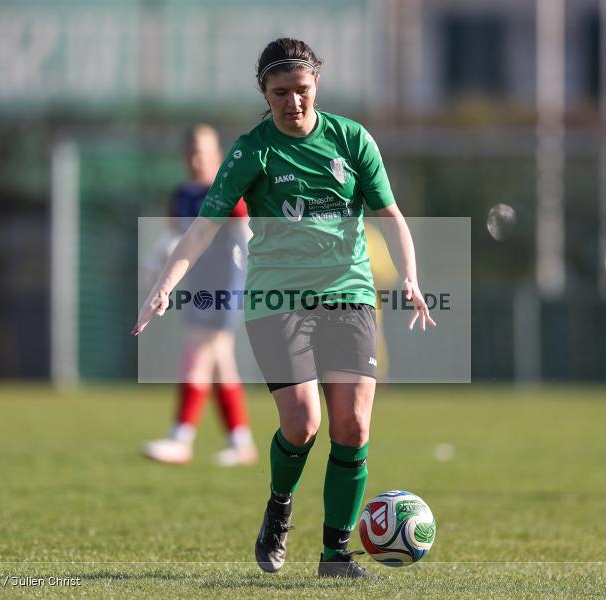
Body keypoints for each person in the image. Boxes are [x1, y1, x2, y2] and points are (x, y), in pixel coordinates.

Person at [133, 38, 435, 579]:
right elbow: (204, 227)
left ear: (317, 82)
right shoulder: (253, 151)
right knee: (301, 423)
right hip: (278, 300)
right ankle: (279, 509)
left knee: (354, 424)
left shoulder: (352, 139)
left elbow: (390, 216)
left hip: (349, 293)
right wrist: (164, 285)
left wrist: (410, 275)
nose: (293, 102)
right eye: (280, 93)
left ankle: (336, 555)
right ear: (263, 93)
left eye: (302, 90)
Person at [140, 124, 258, 467]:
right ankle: (240, 441)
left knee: (198, 350)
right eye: (192, 151)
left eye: (204, 151)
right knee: (221, 361)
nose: (197, 158)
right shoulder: (182, 195)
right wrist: (153, 267)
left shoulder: (229, 192)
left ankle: (181, 437)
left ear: (218, 155)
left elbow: (248, 237)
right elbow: (174, 235)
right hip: (197, 284)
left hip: (226, 282)